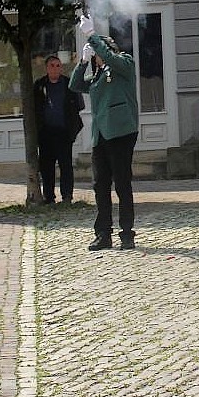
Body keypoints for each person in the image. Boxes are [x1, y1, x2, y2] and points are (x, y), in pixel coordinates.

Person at [69, 15, 139, 251]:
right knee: (100, 185)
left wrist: (92, 35)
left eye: (99, 51)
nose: (97, 55)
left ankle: (127, 232)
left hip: (121, 132)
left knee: (122, 184)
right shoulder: (97, 75)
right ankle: (103, 233)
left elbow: (111, 58)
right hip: (100, 135)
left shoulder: (124, 64)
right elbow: (75, 85)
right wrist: (83, 61)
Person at [33, 55, 85, 204]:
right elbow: (34, 108)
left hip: (63, 132)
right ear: (46, 68)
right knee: (46, 167)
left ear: (61, 68)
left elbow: (79, 106)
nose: (55, 68)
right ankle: (49, 197)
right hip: (46, 133)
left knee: (65, 166)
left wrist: (72, 130)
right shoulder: (40, 85)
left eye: (58, 65)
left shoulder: (69, 84)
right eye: (52, 65)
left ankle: (67, 196)